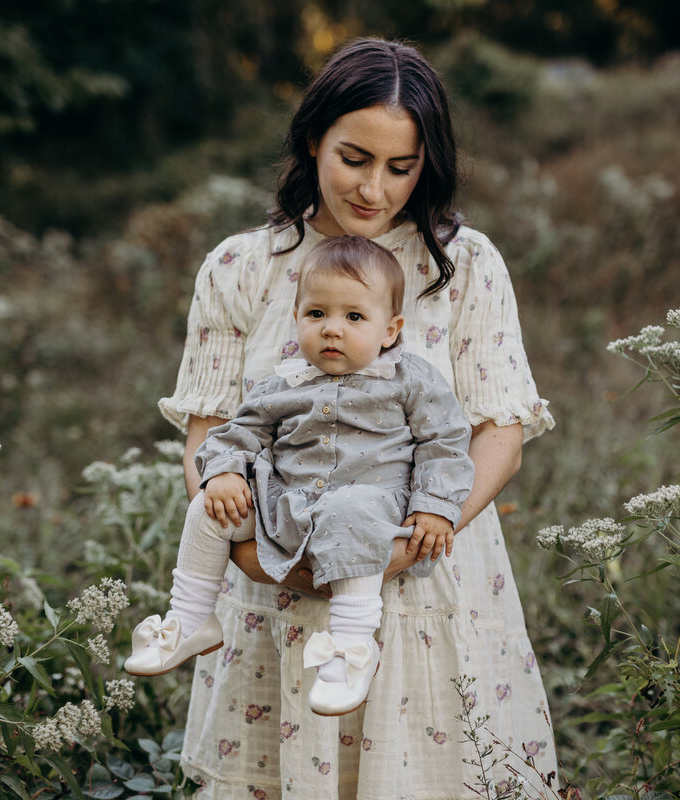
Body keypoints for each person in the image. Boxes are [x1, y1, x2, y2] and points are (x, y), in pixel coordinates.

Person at [158, 36, 559, 799]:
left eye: (400, 168)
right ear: (313, 142)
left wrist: (399, 549)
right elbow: (209, 433)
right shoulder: (244, 267)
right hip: (274, 581)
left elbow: (499, 436)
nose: (374, 189)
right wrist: (243, 545)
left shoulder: (464, 265)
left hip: (424, 583)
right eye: (354, 158)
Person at [126, 235, 475, 719]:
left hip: (372, 510)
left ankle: (350, 649)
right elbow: (234, 435)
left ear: (390, 329)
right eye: (317, 315)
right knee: (208, 509)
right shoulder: (283, 384)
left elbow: (446, 443)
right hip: (287, 510)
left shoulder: (409, 380)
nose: (333, 329)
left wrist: (435, 507)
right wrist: (224, 473)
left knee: (350, 510)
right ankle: (189, 619)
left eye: (354, 317)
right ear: (297, 319)